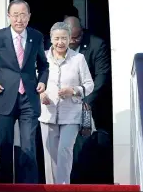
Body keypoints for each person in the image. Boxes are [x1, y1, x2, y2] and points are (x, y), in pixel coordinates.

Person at [0, 0, 49, 184]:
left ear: (29, 16)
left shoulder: (36, 36)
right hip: (3, 96)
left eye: (23, 14)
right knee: (5, 146)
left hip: (29, 99)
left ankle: (29, 186)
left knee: (29, 145)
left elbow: (43, 65)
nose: (19, 19)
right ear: (9, 16)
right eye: (15, 15)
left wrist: (42, 81)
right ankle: (6, 186)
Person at [39, 22, 94, 184]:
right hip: (47, 113)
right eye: (56, 38)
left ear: (70, 39)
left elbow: (89, 85)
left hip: (71, 113)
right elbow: (33, 82)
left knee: (64, 150)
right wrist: (41, 94)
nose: (60, 42)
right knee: (50, 156)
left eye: (64, 38)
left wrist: (74, 90)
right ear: (50, 39)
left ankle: (63, 186)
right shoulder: (42, 57)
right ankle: (51, 187)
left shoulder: (78, 58)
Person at [63, 16, 113, 184]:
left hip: (88, 105)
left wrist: (85, 103)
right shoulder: (55, 43)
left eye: (77, 37)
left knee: (83, 146)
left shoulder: (96, 45)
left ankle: (81, 183)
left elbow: (101, 78)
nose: (74, 41)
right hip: (62, 106)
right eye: (71, 38)